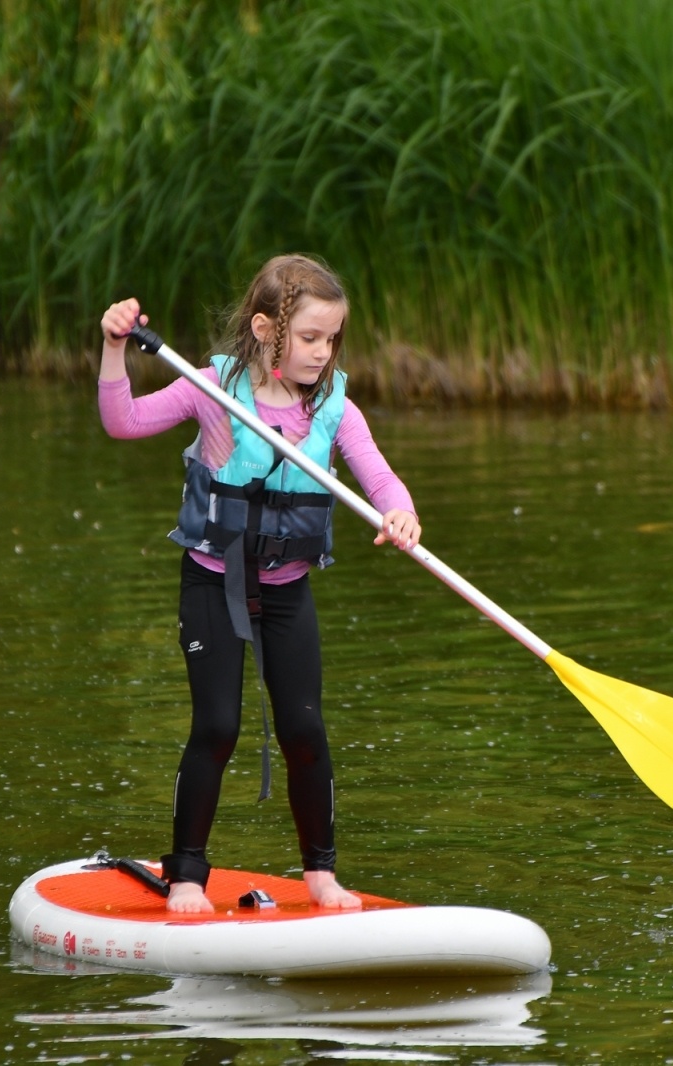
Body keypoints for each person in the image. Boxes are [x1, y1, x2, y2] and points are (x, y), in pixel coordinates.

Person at [98, 254, 422, 914]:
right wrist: (112, 350)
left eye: (332, 338)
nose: (322, 352)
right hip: (213, 582)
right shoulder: (212, 391)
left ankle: (322, 875)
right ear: (265, 328)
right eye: (309, 338)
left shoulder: (332, 408)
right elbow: (123, 421)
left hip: (286, 590)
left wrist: (401, 512)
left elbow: (381, 479)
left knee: (306, 730)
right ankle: (186, 875)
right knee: (217, 725)